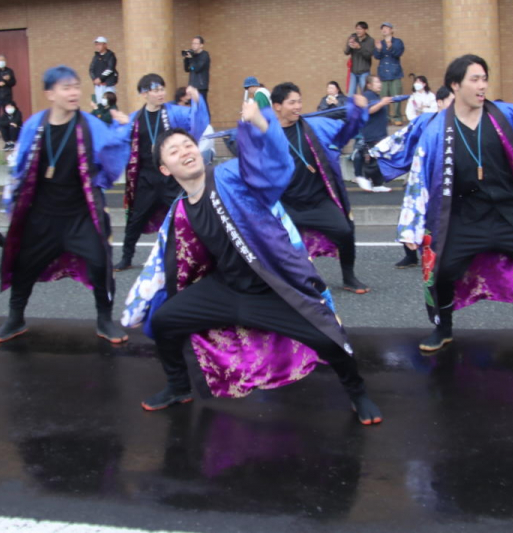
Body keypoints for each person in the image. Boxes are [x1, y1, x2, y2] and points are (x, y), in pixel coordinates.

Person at [120, 107, 383, 425]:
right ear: (165, 169)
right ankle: (178, 387)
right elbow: (166, 260)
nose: (185, 152)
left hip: (271, 289)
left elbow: (275, 166)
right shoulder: (180, 209)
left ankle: (358, 393)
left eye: (188, 145)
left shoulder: (230, 175)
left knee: (327, 338)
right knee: (164, 320)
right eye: (174, 151)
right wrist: (142, 302)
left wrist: (261, 123)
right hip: (225, 289)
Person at [376, 54, 513, 353]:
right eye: (475, 79)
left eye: (484, 79)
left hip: (512, 210)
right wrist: (373, 168)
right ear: (455, 85)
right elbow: (405, 159)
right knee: (441, 272)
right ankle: (443, 329)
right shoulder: (434, 126)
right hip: (463, 214)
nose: (482, 86)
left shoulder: (504, 114)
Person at [0, 66, 133, 346]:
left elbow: (112, 152)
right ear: (50, 93)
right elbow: (19, 165)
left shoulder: (89, 124)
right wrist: (13, 201)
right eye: (66, 87)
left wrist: (123, 128)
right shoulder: (35, 125)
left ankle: (104, 320)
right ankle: (15, 319)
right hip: (42, 215)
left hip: (81, 214)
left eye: (76, 86)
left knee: (100, 263)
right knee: (24, 265)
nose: (74, 92)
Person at [270, 81, 370, 294]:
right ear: (277, 106)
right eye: (292, 102)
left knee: (344, 231)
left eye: (299, 101)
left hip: (317, 200)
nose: (298, 106)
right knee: (277, 245)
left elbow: (345, 133)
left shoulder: (315, 126)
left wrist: (358, 111)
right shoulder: (267, 134)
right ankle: (289, 283)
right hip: (286, 205)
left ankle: (349, 277)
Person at [116, 74, 210, 272]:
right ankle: (126, 257)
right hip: (146, 178)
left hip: (170, 177)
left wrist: (197, 100)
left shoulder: (174, 113)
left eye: (162, 89)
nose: (160, 93)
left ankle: (199, 254)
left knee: (184, 215)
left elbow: (197, 121)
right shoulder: (134, 119)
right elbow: (118, 141)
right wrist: (122, 127)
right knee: (135, 219)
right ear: (144, 94)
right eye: (155, 90)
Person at [387, 86, 454, 268]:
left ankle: (443, 255)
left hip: (450, 177)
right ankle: (411, 254)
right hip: (425, 174)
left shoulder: (461, 123)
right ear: (440, 102)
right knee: (415, 210)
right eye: (452, 100)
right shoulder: (426, 120)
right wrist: (381, 154)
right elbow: (406, 138)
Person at [354, 75, 394, 194]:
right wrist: (382, 103)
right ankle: (364, 178)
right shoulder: (368, 95)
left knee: (378, 159)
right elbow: (368, 110)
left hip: (379, 133)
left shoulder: (376, 96)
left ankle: (377, 184)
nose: (379, 84)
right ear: (369, 85)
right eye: (376, 82)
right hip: (372, 134)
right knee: (373, 160)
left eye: (380, 82)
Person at [374, 23, 406, 125]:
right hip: (383, 74)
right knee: (384, 98)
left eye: (386, 28)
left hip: (395, 73)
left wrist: (391, 47)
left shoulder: (398, 42)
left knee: (396, 97)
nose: (384, 30)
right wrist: (378, 49)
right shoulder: (380, 43)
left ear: (391, 30)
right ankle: (386, 118)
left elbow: (398, 53)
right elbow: (376, 56)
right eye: (382, 28)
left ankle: (397, 118)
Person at [344, 22, 375, 97]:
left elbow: (368, 55)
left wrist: (359, 48)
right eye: (357, 29)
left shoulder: (370, 40)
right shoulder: (353, 38)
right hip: (353, 72)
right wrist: (349, 44)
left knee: (365, 94)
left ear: (365, 30)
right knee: (351, 95)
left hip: (364, 72)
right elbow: (346, 52)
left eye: (360, 29)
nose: (358, 31)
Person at [89, 36, 118, 105]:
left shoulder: (110, 55)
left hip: (108, 85)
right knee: (100, 103)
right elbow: (91, 69)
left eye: (99, 44)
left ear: (105, 45)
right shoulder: (96, 57)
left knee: (109, 103)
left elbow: (110, 69)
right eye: (96, 45)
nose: (97, 46)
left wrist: (100, 78)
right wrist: (94, 79)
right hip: (99, 86)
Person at [183, 37, 210, 105]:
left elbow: (197, 68)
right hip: (192, 86)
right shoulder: (192, 55)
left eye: (196, 43)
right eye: (192, 43)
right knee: (193, 106)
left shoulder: (204, 55)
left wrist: (191, 59)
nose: (193, 45)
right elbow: (187, 69)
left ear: (201, 45)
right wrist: (186, 59)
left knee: (202, 105)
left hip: (201, 86)